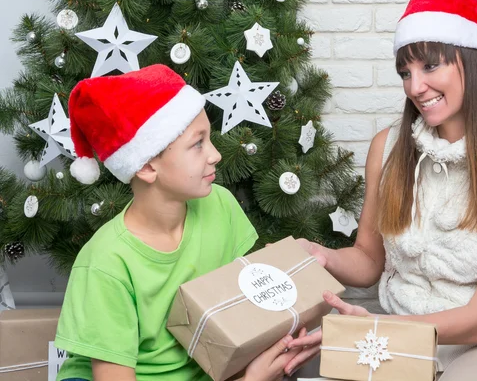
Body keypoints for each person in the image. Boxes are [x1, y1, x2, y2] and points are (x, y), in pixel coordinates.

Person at [284, 0, 477, 381]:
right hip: (401, 337)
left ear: (472, 60)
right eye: (405, 72)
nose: (415, 87)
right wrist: (324, 256)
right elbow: (368, 260)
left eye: (431, 66)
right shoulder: (389, 147)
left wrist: (374, 329)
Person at [55, 64, 306, 381]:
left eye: (209, 139)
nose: (215, 155)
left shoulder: (220, 205)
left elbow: (241, 313)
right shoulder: (106, 263)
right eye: (198, 143)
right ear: (146, 167)